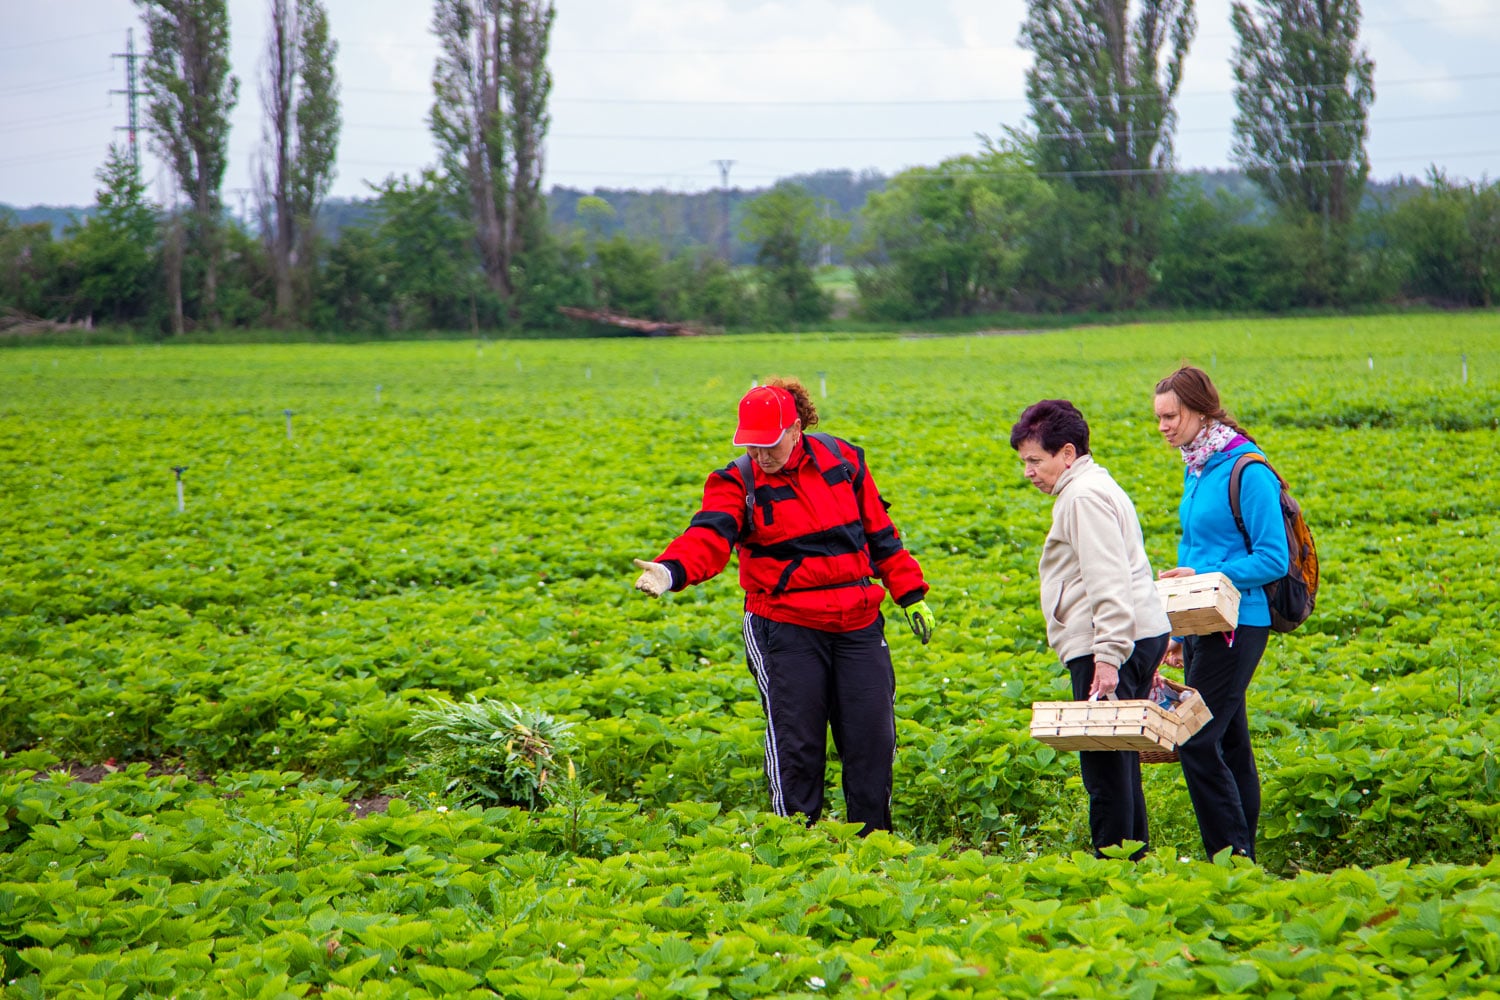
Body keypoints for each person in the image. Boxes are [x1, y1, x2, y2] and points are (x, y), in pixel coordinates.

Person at [631, 379, 934, 835]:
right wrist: (669, 571)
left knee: (872, 739)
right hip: (785, 627)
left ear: (796, 429)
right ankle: (797, 845)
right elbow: (709, 536)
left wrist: (910, 593)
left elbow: (879, 531)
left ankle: (876, 848)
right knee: (798, 744)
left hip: (857, 620)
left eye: (769, 444)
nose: (761, 455)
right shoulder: (738, 481)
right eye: (751, 446)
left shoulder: (844, 460)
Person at [1010, 400, 1171, 858]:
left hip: (1110, 641)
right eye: (1024, 462)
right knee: (1120, 759)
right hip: (1131, 635)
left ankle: (1113, 862)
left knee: (1103, 765)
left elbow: (1107, 578)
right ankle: (1133, 858)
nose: (1029, 471)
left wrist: (1108, 656)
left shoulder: (1082, 497)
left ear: (1066, 453)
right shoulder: (1092, 487)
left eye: (1034, 460)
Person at [1153, 365, 1289, 861]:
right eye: (1159, 418)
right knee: (1229, 743)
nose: (1164, 426)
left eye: (1171, 416)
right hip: (1203, 623)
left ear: (1199, 408)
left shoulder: (1246, 469)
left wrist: (1204, 576)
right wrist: (1176, 630)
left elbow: (1273, 558)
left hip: (1241, 622)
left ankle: (1230, 859)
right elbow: (1197, 550)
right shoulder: (1197, 465)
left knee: (1193, 740)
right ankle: (1239, 857)